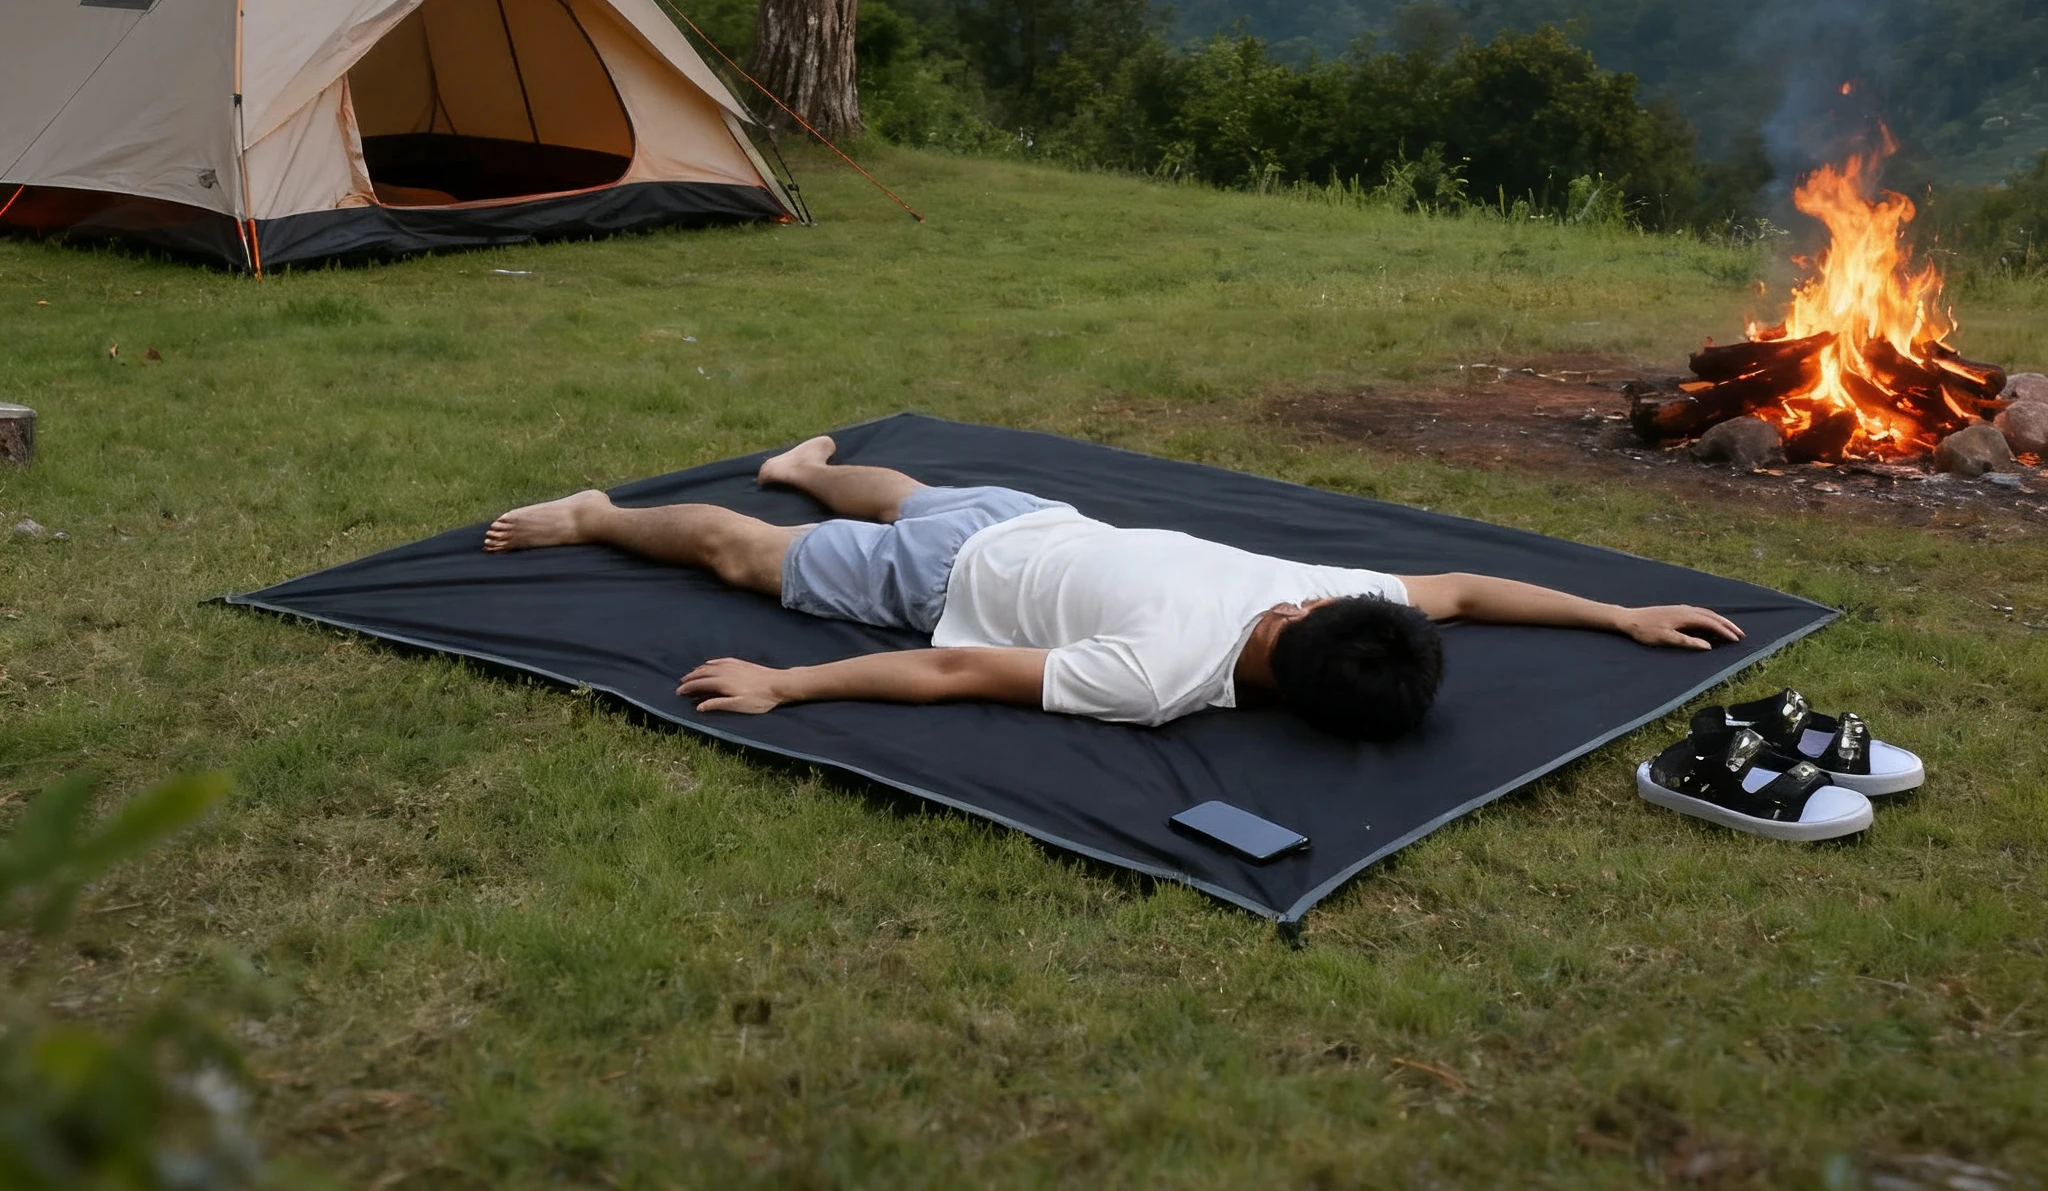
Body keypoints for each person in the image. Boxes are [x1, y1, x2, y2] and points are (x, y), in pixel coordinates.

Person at [482, 436, 1741, 738]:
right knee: (898, 484)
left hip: (947, 579)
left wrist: (788, 683)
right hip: (1039, 520)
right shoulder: (1332, 603)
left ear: (1290, 633)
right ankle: (804, 468)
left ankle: (596, 513)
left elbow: (954, 666)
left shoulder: (1154, 680)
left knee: (737, 551)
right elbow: (1458, 588)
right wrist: (1617, 612)